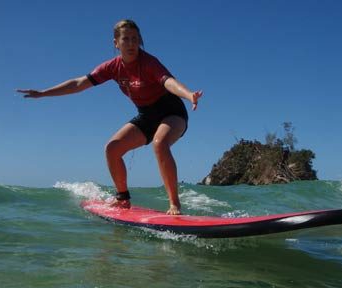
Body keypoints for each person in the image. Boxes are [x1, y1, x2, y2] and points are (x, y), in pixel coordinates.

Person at [17, 19, 203, 215]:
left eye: (134, 39)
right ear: (116, 43)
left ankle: (174, 204)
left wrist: (189, 94)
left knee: (160, 143)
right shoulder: (113, 67)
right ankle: (123, 199)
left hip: (172, 111)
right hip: (147, 115)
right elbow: (79, 83)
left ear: (140, 41)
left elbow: (169, 82)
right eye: (125, 39)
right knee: (112, 148)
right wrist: (43, 93)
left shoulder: (149, 62)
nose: (131, 44)